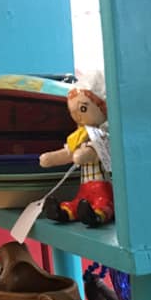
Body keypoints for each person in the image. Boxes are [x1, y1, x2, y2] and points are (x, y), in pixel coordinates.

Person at [39, 71, 114, 227]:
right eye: (73, 112)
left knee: (103, 203)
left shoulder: (103, 137)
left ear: (102, 107)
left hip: (103, 186)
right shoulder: (78, 138)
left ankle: (96, 216)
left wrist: (82, 154)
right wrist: (50, 158)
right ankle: (63, 212)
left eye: (82, 109)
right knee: (78, 201)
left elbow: (88, 154)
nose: (78, 116)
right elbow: (70, 153)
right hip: (85, 187)